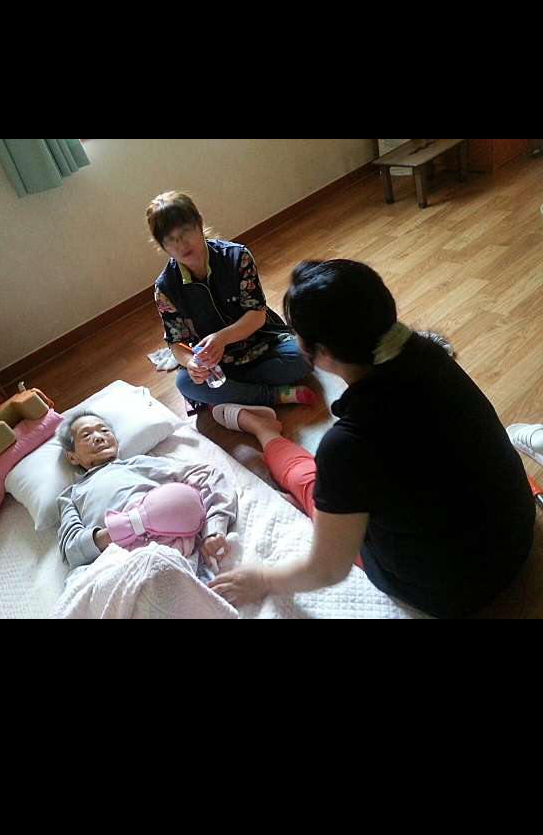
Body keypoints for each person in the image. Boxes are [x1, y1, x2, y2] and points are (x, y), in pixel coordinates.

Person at [208, 259, 536, 619]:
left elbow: (327, 569)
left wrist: (261, 578)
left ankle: (264, 430)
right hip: (517, 534)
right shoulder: (431, 354)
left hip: (449, 592)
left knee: (312, 484)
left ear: (323, 353)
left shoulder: (348, 445)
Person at [148, 191, 315, 408]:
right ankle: (273, 395)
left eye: (185, 231)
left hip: (261, 344)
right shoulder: (165, 287)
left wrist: (222, 338)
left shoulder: (237, 257)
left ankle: (233, 394)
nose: (181, 244)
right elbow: (175, 341)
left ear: (199, 223)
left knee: (303, 356)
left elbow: (257, 315)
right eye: (170, 239)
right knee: (185, 383)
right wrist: (191, 364)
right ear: (162, 246)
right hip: (216, 363)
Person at [57, 411, 237, 571]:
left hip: (172, 549)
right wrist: (128, 525)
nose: (98, 437)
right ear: (71, 457)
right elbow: (72, 551)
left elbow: (209, 477)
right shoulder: (71, 496)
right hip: (120, 564)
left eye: (104, 430)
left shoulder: (139, 463)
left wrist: (214, 530)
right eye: (86, 435)